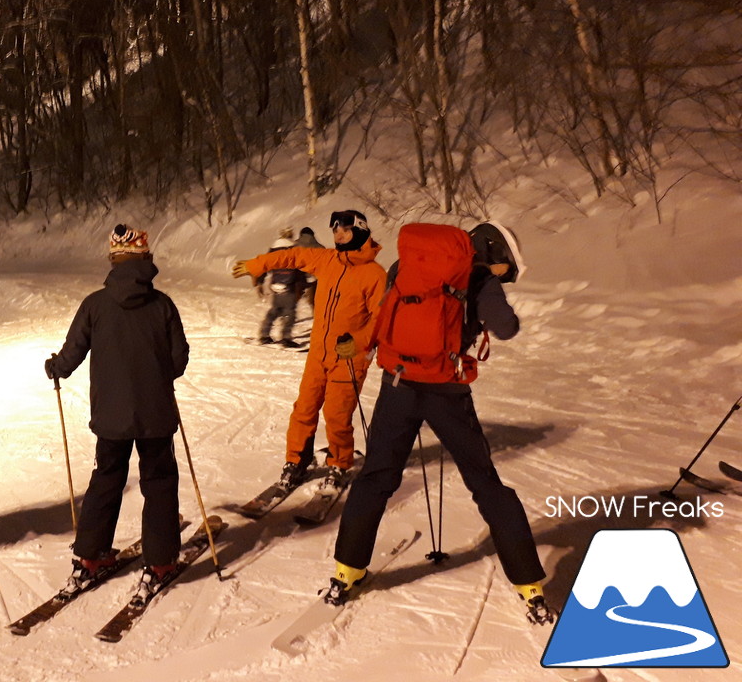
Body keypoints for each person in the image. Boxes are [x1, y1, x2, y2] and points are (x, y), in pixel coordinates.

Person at [328, 221, 553, 624]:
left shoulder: (406, 265)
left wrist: (360, 343)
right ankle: (529, 584)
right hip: (446, 391)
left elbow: (384, 313)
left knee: (376, 477)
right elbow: (506, 328)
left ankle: (346, 571)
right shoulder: (479, 277)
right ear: (494, 252)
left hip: (397, 383)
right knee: (485, 483)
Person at [45, 223, 190, 599]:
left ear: (113, 259)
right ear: (145, 258)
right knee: (157, 483)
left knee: (107, 478)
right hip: (155, 414)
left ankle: (90, 558)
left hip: (111, 417)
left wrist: (56, 367)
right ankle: (160, 563)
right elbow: (178, 360)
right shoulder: (162, 305)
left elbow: (73, 350)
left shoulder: (95, 304)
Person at [232, 209, 386, 489]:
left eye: (344, 228)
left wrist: (359, 343)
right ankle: (296, 462)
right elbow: (292, 256)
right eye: (334, 229)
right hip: (318, 353)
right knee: (303, 410)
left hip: (348, 357)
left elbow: (381, 319)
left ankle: (339, 463)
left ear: (360, 230)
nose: (337, 234)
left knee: (337, 416)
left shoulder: (374, 274)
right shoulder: (327, 260)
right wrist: (259, 264)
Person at [255, 231, 306, 349]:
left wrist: (260, 282)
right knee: (289, 313)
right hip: (290, 287)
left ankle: (264, 334)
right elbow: (300, 269)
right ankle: (285, 338)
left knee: (275, 310)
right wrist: (303, 284)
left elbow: (264, 265)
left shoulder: (273, 250)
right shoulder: (294, 250)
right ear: (291, 236)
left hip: (276, 286)